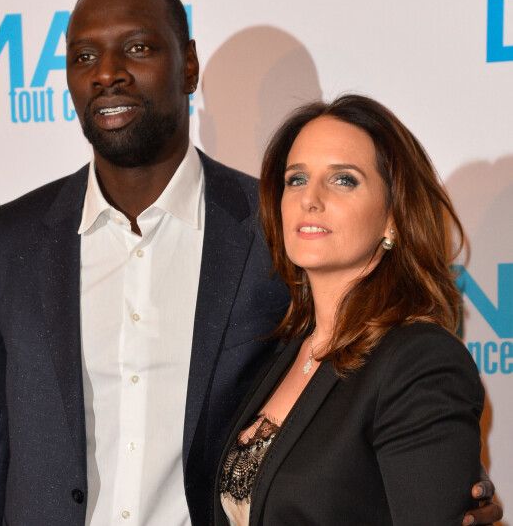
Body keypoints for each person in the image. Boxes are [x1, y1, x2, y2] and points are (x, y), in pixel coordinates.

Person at [0, 0, 501, 526]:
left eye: (136, 47)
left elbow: (379, 388)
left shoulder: (273, 228)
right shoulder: (4, 242)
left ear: (188, 65)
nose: (108, 73)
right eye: (84, 57)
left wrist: (442, 491)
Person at [214, 95, 500, 525]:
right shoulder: (286, 351)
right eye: (296, 179)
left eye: (343, 180)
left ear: (393, 217)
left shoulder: (419, 361)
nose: (310, 198)